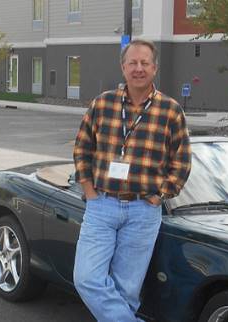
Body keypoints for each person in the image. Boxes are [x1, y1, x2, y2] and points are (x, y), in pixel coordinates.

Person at [72, 39, 191, 322]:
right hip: (102, 205)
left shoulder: (170, 110)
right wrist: (89, 190)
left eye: (144, 63)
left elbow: (182, 162)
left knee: (126, 291)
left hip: (143, 211)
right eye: (133, 63)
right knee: (86, 277)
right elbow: (82, 148)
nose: (139, 68)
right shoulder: (103, 103)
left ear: (154, 67)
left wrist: (158, 195)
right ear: (123, 67)